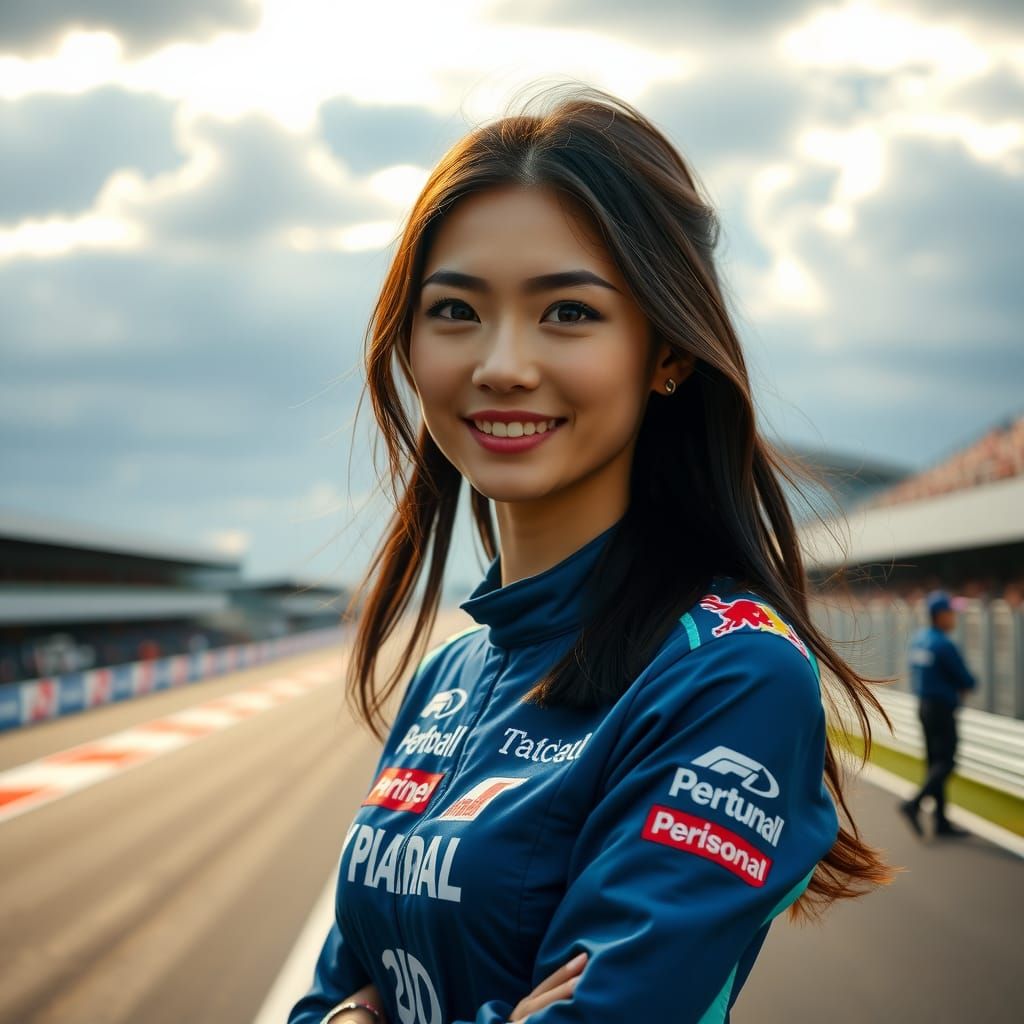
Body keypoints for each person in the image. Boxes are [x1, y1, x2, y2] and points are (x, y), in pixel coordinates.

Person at [288, 84, 891, 1024]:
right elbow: (326, 998)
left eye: (568, 312)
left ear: (668, 352)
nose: (502, 364)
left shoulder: (732, 672)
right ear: (409, 344)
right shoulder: (449, 674)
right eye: (455, 310)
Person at [899, 591, 976, 839]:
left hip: (924, 706)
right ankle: (914, 803)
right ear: (940, 615)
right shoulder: (944, 644)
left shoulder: (920, 640)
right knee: (946, 762)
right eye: (951, 613)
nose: (954, 617)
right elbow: (966, 680)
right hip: (942, 709)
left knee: (934, 763)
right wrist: (968, 684)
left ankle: (941, 821)